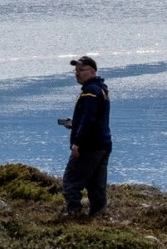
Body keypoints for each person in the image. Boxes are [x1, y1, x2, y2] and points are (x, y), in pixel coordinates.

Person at [62, 55, 113, 216]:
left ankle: (74, 212)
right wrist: (75, 123)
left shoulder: (90, 92)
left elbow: (89, 120)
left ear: (91, 72)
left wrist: (78, 143)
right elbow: (92, 118)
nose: (77, 73)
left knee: (71, 181)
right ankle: (99, 214)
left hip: (89, 146)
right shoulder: (101, 89)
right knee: (96, 183)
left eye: (81, 70)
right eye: (75, 70)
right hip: (103, 144)